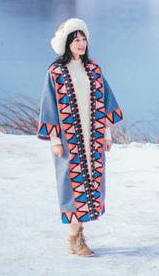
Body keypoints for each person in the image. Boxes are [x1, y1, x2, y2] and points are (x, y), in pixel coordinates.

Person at [37, 18, 124, 257]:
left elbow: (104, 104)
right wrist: (55, 141)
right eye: (76, 40)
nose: (81, 43)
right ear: (67, 43)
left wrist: (106, 133)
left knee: (91, 187)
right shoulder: (55, 72)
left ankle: (79, 235)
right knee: (72, 187)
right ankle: (74, 238)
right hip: (69, 141)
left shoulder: (93, 70)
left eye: (84, 39)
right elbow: (49, 106)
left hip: (92, 139)